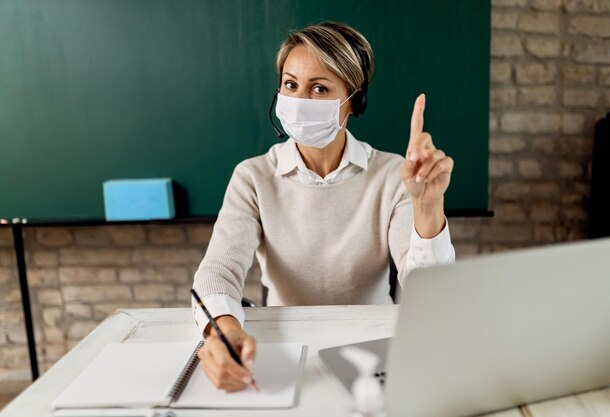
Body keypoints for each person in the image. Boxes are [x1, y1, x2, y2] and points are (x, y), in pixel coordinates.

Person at [191, 21, 455, 392]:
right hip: (288, 349)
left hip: (373, 348)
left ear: (354, 101)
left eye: (319, 88)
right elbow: (219, 268)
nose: (299, 100)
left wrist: (427, 207)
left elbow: (431, 293)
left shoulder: (392, 175)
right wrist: (224, 331)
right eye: (290, 84)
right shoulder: (253, 176)